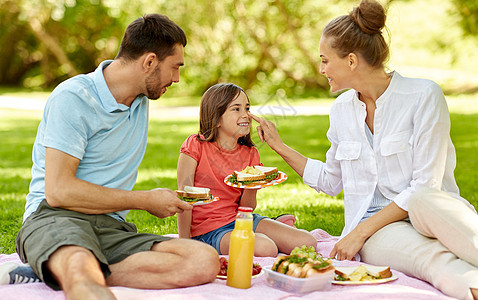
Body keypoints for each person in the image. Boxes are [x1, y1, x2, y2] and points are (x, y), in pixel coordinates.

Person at [249, 1, 478, 299]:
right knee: (430, 260)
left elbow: (426, 186)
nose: (321, 69)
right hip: (377, 232)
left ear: (352, 61)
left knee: (423, 199)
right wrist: (279, 147)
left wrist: (358, 232)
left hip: (429, 209)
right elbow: (331, 181)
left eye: (325, 60)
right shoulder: (341, 110)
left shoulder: (423, 95)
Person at [8, 14, 219, 300]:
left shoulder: (140, 99)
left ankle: (51, 269)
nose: (177, 79)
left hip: (110, 226)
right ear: (149, 62)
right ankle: (70, 269)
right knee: (83, 275)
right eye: (174, 67)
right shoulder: (73, 98)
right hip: (55, 216)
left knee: (204, 261)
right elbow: (58, 192)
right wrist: (146, 200)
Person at [176, 83, 317, 256]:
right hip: (208, 230)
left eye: (247, 108)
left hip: (241, 219)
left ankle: (271, 228)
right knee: (265, 248)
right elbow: (184, 198)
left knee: (307, 242)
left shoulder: (250, 153)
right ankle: (268, 233)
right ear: (217, 117)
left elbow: (247, 208)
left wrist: (252, 185)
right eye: (236, 109)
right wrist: (184, 243)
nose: (246, 115)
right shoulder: (196, 145)